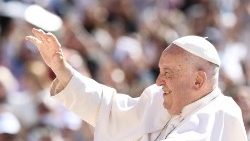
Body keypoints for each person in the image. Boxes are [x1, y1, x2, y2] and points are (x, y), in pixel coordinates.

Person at [25, 28, 247, 141]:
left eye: (167, 73)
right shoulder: (158, 100)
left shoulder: (222, 112)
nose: (159, 81)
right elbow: (108, 109)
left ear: (198, 80)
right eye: (160, 72)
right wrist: (63, 70)